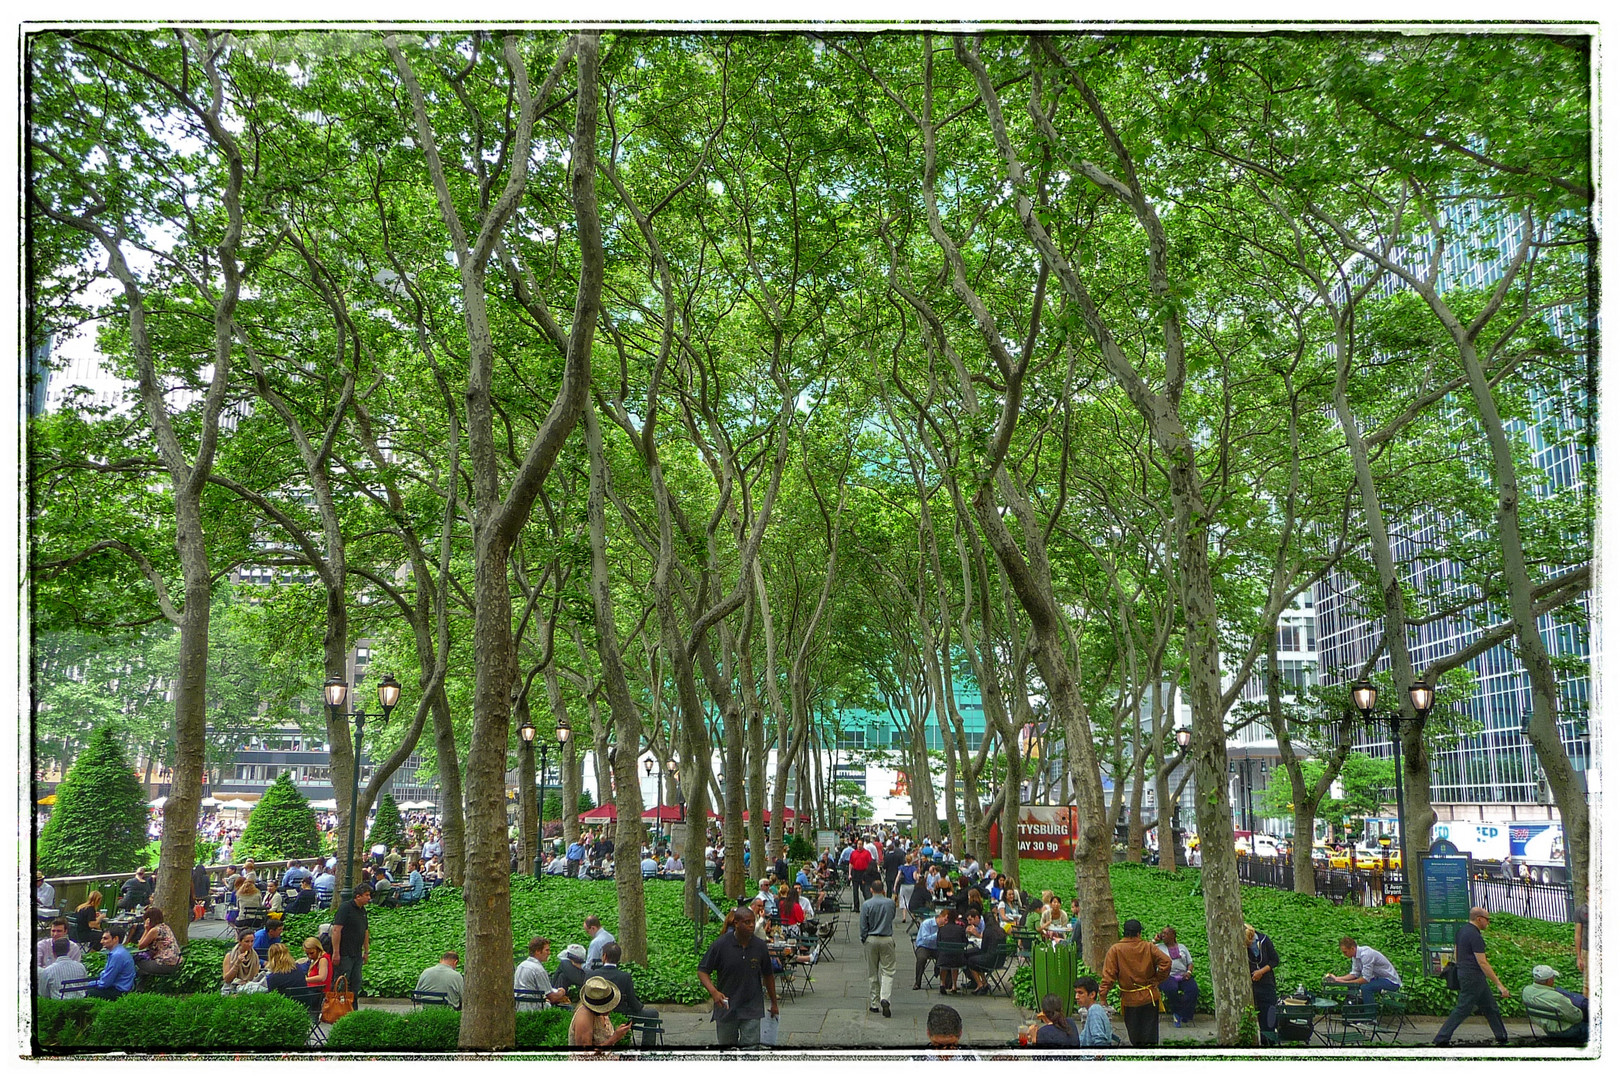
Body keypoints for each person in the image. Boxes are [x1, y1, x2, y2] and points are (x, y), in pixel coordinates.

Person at [697, 906, 779, 1049]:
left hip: (752, 1007)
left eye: (753, 922)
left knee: (751, 1051)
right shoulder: (721, 945)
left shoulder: (760, 946)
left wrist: (774, 1003)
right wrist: (714, 992)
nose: (752, 925)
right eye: (747, 922)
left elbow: (768, 975)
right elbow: (702, 971)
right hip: (727, 1007)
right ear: (736, 923)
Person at [1434, 906, 1511, 1046]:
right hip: (1473, 976)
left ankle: (1502, 1036)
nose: (1488, 923)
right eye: (1487, 920)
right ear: (1479, 919)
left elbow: (1457, 953)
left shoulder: (1462, 931)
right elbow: (1483, 962)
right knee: (1463, 1008)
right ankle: (1441, 1038)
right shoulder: (1475, 936)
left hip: (1466, 973)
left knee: (1490, 1007)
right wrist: (1500, 986)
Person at [1100, 918, 1171, 1046]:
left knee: (1135, 1038)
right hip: (1149, 998)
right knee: (1150, 1038)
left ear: (1124, 932)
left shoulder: (1116, 949)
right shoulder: (1148, 946)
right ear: (1139, 933)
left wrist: (1103, 997)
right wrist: (1158, 979)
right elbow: (1166, 962)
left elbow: (1108, 976)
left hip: (1130, 1000)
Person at [599, 942, 659, 1046]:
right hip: (622, 1015)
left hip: (597, 1014)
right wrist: (640, 1007)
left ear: (604, 956)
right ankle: (647, 1051)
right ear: (618, 958)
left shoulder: (592, 974)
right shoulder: (625, 976)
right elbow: (633, 1002)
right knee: (652, 1014)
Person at [1325, 935, 1402, 1004]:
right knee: (1353, 987)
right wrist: (1338, 979)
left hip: (1391, 981)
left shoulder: (1366, 955)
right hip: (1378, 978)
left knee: (1366, 988)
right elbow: (1355, 974)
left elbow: (1365, 979)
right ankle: (1354, 1011)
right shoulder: (1355, 956)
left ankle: (1370, 1016)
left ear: (1352, 948)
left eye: (1345, 952)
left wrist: (1344, 982)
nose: (1344, 955)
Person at [860, 878, 898, 1017]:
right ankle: (885, 998)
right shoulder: (890, 903)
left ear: (871, 889)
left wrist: (864, 938)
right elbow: (892, 917)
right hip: (887, 938)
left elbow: (863, 925)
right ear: (883, 890)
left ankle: (874, 1003)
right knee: (888, 971)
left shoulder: (866, 904)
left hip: (871, 938)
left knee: (872, 972)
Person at [1522, 964, 1586, 1042]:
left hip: (1547, 1029)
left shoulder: (1526, 991)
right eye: (1553, 977)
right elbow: (1576, 1018)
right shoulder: (1557, 997)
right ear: (1549, 980)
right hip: (1566, 1031)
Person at [331, 880, 372, 999]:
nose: (369, 898)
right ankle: (335, 1006)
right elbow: (336, 930)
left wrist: (366, 951)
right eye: (367, 895)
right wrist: (336, 952)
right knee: (342, 980)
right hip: (344, 953)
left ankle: (352, 1007)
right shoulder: (345, 908)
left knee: (356, 982)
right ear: (358, 896)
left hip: (357, 953)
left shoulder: (362, 910)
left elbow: (365, 931)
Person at [1153, 926, 1197, 1027]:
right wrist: (1155, 939)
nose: (1163, 935)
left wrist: (1189, 972)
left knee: (1193, 990)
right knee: (1171, 989)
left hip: (1183, 975)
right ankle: (1178, 1013)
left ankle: (1184, 1014)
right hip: (1167, 976)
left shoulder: (1182, 947)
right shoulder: (1158, 947)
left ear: (1173, 935)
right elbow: (1145, 948)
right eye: (1162, 933)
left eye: (1166, 933)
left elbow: (1190, 962)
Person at [570, 975, 631, 1049]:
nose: (609, 1009)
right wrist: (614, 1039)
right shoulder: (584, 1017)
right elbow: (585, 1055)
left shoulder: (600, 1013)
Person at [514, 936, 571, 1009]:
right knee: (569, 1008)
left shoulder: (520, 966)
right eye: (546, 950)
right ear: (537, 951)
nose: (549, 953)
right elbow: (552, 998)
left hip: (518, 1007)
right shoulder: (538, 970)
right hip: (534, 1008)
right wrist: (562, 992)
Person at [132, 906, 183, 980]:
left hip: (164, 964)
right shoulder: (165, 927)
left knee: (137, 960)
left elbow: (140, 945)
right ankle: (142, 984)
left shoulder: (154, 930)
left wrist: (146, 929)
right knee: (142, 969)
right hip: (176, 962)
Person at [87, 926, 136, 999]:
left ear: (115, 939)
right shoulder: (119, 952)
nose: (101, 941)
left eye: (105, 938)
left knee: (84, 992)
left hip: (117, 992)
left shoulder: (117, 955)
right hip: (119, 989)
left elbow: (105, 982)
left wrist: (88, 984)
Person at [38, 935, 89, 999]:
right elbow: (85, 986)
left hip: (59, 1004)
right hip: (80, 1001)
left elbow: (43, 993)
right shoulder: (80, 967)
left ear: (53, 952)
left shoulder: (48, 971)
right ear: (68, 950)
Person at [1074, 975, 1119, 1047]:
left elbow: (1100, 1040)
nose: (1076, 997)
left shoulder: (1094, 1011)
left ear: (1092, 994)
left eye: (1080, 993)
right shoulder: (1095, 1010)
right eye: (1076, 993)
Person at [935, 907, 969, 994]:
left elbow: (938, 943)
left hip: (943, 958)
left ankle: (942, 984)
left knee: (944, 963)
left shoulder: (942, 929)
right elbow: (965, 942)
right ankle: (954, 985)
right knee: (955, 963)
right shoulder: (960, 929)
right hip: (958, 959)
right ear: (956, 918)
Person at [913, 906, 945, 989]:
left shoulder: (945, 926)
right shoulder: (927, 923)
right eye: (945, 919)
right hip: (924, 946)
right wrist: (938, 934)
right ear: (940, 917)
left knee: (946, 956)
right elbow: (925, 939)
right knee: (921, 958)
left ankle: (946, 983)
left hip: (937, 948)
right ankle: (917, 982)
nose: (946, 922)